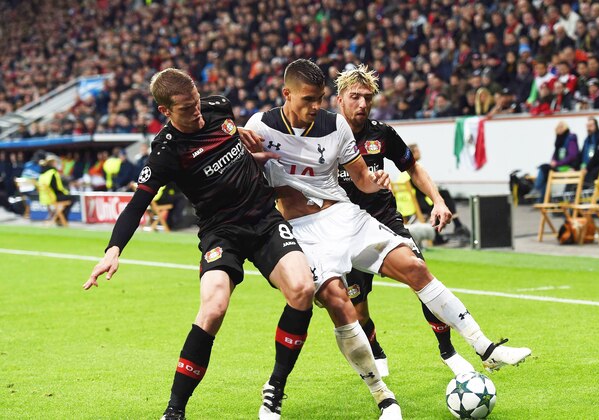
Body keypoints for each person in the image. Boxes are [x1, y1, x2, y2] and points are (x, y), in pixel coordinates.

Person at [244, 59, 531, 410]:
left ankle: (485, 348)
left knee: (416, 267)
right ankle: (384, 397)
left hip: (346, 217)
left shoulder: (336, 127)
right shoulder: (259, 125)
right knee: (343, 304)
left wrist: (375, 181)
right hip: (303, 232)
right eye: (308, 100)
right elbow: (242, 170)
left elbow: (362, 178)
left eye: (319, 99)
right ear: (286, 94)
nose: (315, 107)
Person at [83, 68, 316, 420]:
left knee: (302, 289)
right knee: (213, 308)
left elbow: (229, 151)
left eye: (196, 101)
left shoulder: (219, 108)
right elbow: (137, 205)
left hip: (264, 220)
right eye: (187, 109)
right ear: (165, 111)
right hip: (221, 232)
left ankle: (275, 388)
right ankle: (174, 410)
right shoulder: (166, 150)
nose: (196, 111)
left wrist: (254, 156)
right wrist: (112, 251)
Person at [333, 65, 475, 378]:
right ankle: (376, 350)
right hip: (345, 231)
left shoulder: (381, 134)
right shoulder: (325, 136)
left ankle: (448, 351)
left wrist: (438, 200)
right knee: (356, 306)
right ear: (339, 100)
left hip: (385, 221)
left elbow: (414, 168)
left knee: (420, 276)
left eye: (367, 98)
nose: (362, 104)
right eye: (354, 97)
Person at [527, 121, 581, 201]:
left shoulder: (570, 139)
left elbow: (572, 156)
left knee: (544, 168)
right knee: (545, 173)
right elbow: (555, 154)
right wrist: (553, 161)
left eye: (560, 127)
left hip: (567, 167)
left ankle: (537, 189)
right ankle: (542, 199)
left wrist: (557, 163)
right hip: (559, 166)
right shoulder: (559, 140)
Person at [580, 117, 599, 186]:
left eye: (591, 126)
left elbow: (598, 155)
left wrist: (587, 168)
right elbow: (581, 154)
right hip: (586, 165)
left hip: (596, 165)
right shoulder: (587, 139)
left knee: (591, 173)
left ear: (596, 126)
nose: (589, 128)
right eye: (587, 126)